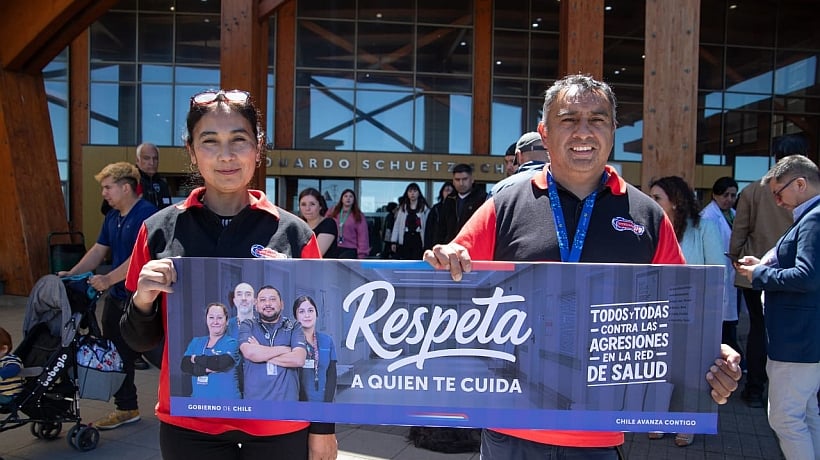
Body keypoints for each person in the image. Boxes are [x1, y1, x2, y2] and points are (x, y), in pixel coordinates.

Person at [424, 74, 742, 459]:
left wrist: (711, 359)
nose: (583, 131)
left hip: (598, 434)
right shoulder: (504, 205)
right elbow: (451, 278)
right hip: (510, 427)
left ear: (612, 131)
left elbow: (679, 316)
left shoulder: (648, 215)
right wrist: (445, 260)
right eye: (569, 119)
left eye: (597, 119)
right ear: (544, 132)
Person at [119, 89, 336, 460]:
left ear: (258, 147)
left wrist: (323, 430)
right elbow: (139, 342)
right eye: (210, 142)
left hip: (279, 426)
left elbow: (319, 343)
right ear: (190, 150)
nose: (225, 155)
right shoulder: (159, 230)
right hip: (191, 428)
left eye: (239, 140)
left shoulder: (295, 233)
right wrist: (143, 300)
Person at [59, 161, 157, 430]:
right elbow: (98, 250)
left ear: (126, 188)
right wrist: (72, 273)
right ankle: (127, 408)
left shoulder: (147, 215)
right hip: (117, 299)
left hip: (145, 301)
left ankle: (190, 403)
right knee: (118, 353)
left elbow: (141, 257)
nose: (104, 193)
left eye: (107, 187)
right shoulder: (113, 217)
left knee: (162, 355)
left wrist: (107, 278)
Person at [735, 154, 820, 460]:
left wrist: (760, 274)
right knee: (806, 414)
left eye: (778, 192)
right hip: (803, 341)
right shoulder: (811, 218)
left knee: (785, 419)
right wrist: (764, 265)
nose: (777, 201)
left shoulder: (813, 219)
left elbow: (807, 277)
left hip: (796, 342)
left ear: (800, 183)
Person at [729, 134, 809, 409]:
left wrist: (736, 261)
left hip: (756, 273)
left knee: (757, 329)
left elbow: (739, 232)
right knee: (788, 329)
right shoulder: (808, 193)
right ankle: (788, 394)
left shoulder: (753, 190)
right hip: (793, 276)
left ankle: (754, 390)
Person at [647, 175, 726, 447]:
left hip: (695, 314)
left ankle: (686, 424)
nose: (651, 203)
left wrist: (710, 313)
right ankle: (657, 419)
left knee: (691, 372)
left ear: (676, 201)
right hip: (658, 312)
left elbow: (718, 272)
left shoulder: (704, 227)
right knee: (660, 370)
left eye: (657, 198)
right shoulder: (652, 227)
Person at [239, 285, 306, 401]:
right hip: (255, 404)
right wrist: (286, 349)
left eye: (272, 299)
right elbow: (249, 353)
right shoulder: (247, 325)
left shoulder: (294, 326)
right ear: (256, 305)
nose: (268, 304)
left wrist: (260, 351)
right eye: (263, 300)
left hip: (287, 404)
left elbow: (298, 359)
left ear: (282, 304)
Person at [700, 176, 741, 360]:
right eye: (726, 195)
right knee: (722, 323)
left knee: (731, 321)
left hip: (733, 273)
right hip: (720, 270)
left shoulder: (732, 214)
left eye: (733, 195)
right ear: (715, 194)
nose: (729, 199)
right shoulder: (708, 216)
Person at [180, 303, 241, 399]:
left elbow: (220, 363)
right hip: (199, 403)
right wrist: (207, 369)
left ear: (227, 321)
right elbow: (185, 365)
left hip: (228, 404)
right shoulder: (196, 342)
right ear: (206, 320)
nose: (215, 322)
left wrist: (194, 358)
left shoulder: (231, 343)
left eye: (220, 318)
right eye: (211, 317)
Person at [101, 142, 173, 214]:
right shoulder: (128, 180)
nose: (152, 162)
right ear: (138, 160)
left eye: (155, 158)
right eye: (146, 158)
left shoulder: (162, 184)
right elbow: (106, 209)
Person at [292, 295, 337, 403]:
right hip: (299, 405)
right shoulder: (291, 342)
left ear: (316, 314)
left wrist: (327, 404)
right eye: (301, 311)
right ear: (296, 317)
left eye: (310, 310)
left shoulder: (327, 341)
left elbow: (332, 376)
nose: (307, 315)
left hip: (324, 403)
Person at [434, 163, 487, 245]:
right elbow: (441, 228)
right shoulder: (449, 199)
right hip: (450, 247)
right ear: (453, 181)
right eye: (457, 180)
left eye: (464, 179)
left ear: (472, 179)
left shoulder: (482, 198)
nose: (461, 183)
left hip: (473, 246)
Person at [488, 131, 550, 198]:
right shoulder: (559, 185)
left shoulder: (500, 190)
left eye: (513, 161)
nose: (508, 167)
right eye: (506, 162)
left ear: (519, 156)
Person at [390, 182, 430, 260]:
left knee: (417, 260)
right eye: (410, 191)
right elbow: (397, 225)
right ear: (407, 193)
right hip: (406, 237)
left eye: (415, 191)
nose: (412, 194)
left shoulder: (424, 209)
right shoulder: (403, 208)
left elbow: (428, 227)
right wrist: (394, 241)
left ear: (419, 193)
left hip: (419, 238)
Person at [327, 188, 370, 259]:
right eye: (346, 196)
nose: (348, 198)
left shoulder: (358, 215)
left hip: (350, 249)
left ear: (354, 200)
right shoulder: (332, 212)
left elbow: (363, 236)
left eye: (351, 196)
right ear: (341, 199)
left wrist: (362, 254)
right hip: (333, 247)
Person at [299, 187, 338, 258]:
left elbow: (313, 256)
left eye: (312, 204)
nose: (307, 208)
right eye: (303, 204)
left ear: (320, 206)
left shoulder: (328, 223)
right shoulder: (299, 225)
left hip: (324, 268)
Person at [423, 182, 453, 251]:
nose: (448, 193)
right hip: (437, 242)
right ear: (442, 192)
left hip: (451, 242)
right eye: (446, 190)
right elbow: (429, 228)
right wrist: (427, 246)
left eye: (450, 191)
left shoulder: (457, 207)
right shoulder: (436, 208)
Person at [0, 326, 24, 406]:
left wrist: (1, 374)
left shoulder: (10, 359)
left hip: (8, 395)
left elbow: (14, 368)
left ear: (4, 349)